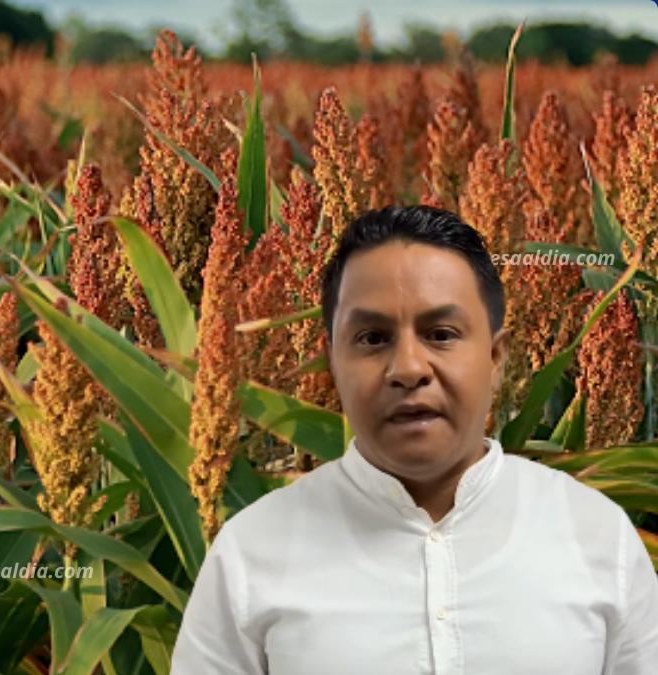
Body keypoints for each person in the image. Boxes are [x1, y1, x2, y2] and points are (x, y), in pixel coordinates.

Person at [170, 205, 658, 674]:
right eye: (373, 339)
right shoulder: (250, 554)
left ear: (496, 357)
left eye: (442, 333)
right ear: (332, 360)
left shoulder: (599, 539)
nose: (408, 368)